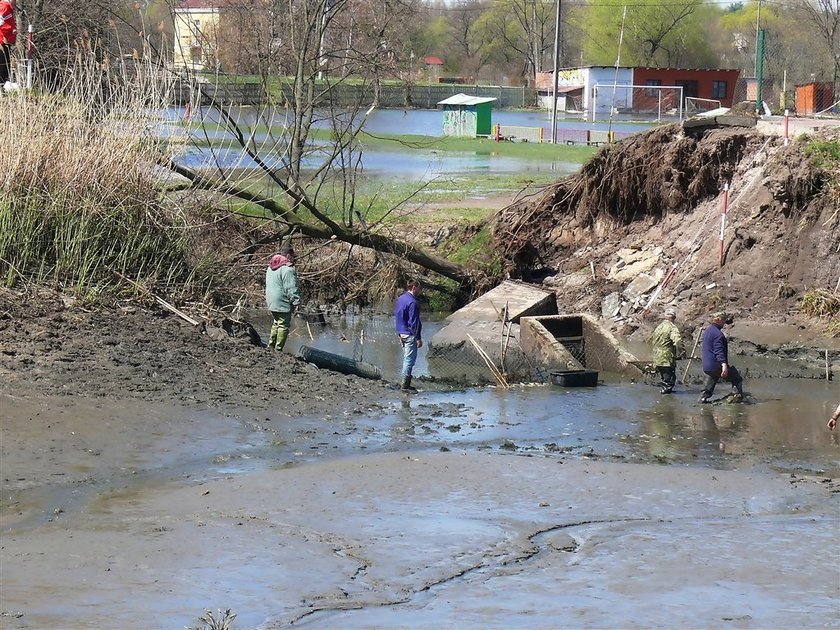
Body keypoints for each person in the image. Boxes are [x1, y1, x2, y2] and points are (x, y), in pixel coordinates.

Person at [699, 311, 743, 403]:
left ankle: (703, 397)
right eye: (723, 320)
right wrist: (724, 365)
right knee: (736, 377)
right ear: (718, 320)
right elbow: (719, 351)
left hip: (707, 365)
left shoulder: (708, 331)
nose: (724, 323)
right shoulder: (718, 335)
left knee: (713, 377)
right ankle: (737, 397)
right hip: (716, 364)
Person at [264, 241, 301, 352]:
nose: (294, 260)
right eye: (293, 257)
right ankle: (278, 350)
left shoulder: (270, 267)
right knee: (283, 325)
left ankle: (270, 347)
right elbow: (291, 288)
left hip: (271, 300)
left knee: (276, 323)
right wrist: (297, 302)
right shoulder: (288, 270)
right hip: (282, 302)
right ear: (288, 256)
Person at [394, 279, 423, 392]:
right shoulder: (413, 302)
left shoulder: (401, 299)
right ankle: (405, 385)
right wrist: (418, 338)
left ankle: (404, 382)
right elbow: (414, 322)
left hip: (401, 332)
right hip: (409, 334)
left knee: (406, 358)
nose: (420, 291)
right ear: (414, 287)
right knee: (409, 360)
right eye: (419, 288)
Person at [649, 307, 683, 394]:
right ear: (674, 317)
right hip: (667, 358)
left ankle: (664, 395)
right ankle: (666, 399)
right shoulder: (672, 327)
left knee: (664, 378)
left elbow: (652, 340)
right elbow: (678, 341)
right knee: (669, 380)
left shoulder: (659, 327)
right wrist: (682, 352)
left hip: (657, 357)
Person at [0, 0, 15, 88]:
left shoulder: (8, 8)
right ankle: (1, 85)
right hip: (2, 41)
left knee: (6, 63)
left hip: (7, 40)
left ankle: (3, 84)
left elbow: (6, 22)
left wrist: (12, 29)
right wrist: (5, 33)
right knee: (3, 63)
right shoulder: (4, 7)